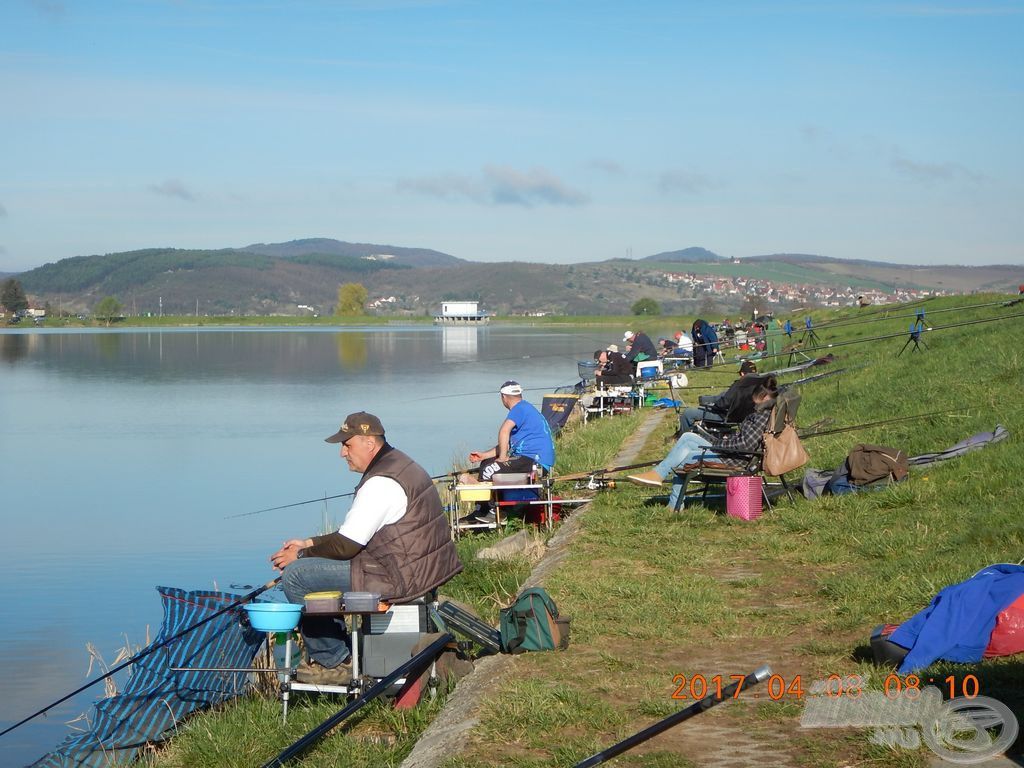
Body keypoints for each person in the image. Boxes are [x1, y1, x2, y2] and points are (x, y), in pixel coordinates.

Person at [270, 411, 462, 684]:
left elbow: (347, 546)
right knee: (306, 568)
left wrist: (299, 555)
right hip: (414, 566)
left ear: (369, 443)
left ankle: (336, 662)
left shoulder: (381, 483)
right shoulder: (398, 464)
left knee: (297, 576)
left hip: (399, 575)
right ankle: (344, 650)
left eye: (347, 445)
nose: (342, 453)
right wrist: (309, 543)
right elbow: (352, 534)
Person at [628, 384, 777, 508]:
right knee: (688, 438)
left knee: (686, 457)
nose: (750, 401)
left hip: (733, 459)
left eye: (753, 397)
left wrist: (720, 443)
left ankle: (672, 503)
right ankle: (659, 477)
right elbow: (745, 440)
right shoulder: (765, 414)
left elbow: (746, 444)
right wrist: (726, 439)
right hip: (732, 453)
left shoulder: (760, 416)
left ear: (763, 397)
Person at [461, 380, 556, 487]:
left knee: (488, 470)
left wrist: (502, 458)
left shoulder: (519, 409)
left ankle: (487, 503)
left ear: (504, 397)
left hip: (536, 461)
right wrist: (484, 455)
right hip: (531, 459)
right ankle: (493, 499)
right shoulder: (525, 408)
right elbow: (507, 444)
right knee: (486, 463)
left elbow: (504, 431)